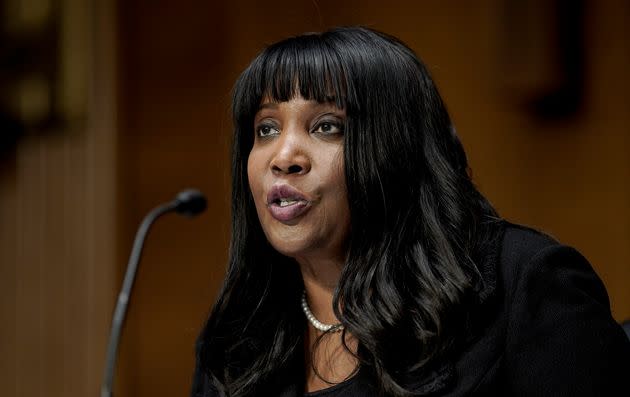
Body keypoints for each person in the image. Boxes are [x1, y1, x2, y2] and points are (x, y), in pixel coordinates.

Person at [191, 26, 630, 396]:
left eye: (327, 126)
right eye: (265, 129)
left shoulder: (523, 285)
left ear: (396, 149)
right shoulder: (238, 335)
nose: (283, 156)